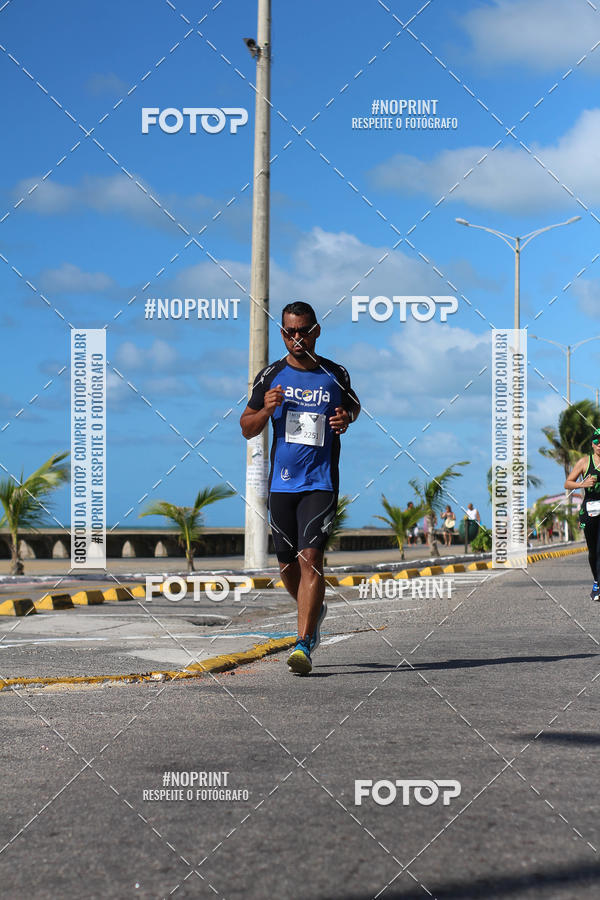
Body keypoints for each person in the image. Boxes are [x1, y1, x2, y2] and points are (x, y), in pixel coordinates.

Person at [240, 301, 361, 675]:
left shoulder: (334, 373)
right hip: (283, 484)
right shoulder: (270, 377)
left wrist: (345, 417)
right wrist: (265, 409)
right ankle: (314, 609)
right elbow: (247, 426)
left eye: (304, 331)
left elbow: (354, 406)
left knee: (312, 560)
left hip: (321, 482)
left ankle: (304, 644)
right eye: (290, 332)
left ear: (316, 331)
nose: (298, 338)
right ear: (282, 334)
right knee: (287, 567)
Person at [565, 428, 600, 599]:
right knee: (593, 551)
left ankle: (598, 587)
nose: (599, 444)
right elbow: (567, 483)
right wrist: (582, 484)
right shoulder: (585, 462)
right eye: (596, 441)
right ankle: (596, 581)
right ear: (592, 445)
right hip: (589, 510)